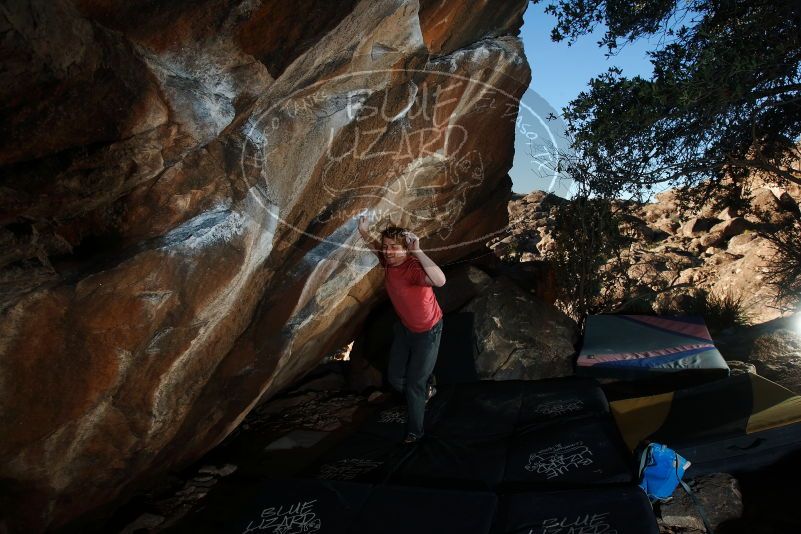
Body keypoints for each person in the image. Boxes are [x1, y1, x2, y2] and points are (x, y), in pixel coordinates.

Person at [358, 216, 446, 444]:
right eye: (386, 246)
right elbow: (375, 248)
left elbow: (440, 280)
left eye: (394, 247)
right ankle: (427, 388)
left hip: (428, 331)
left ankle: (416, 431)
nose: (388, 251)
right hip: (405, 329)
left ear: (405, 249)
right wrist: (365, 232)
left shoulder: (412, 268)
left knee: (414, 384)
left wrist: (417, 251)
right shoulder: (388, 262)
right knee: (396, 378)